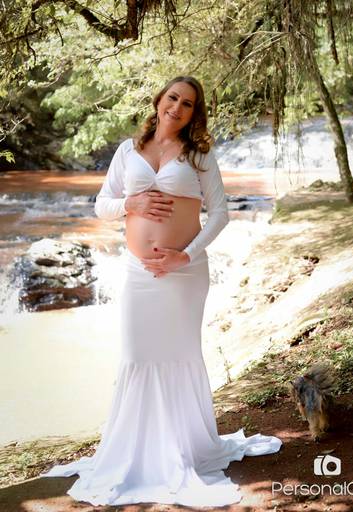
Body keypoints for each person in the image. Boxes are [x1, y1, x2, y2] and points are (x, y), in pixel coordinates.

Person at [40, 76, 282, 507]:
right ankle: (136, 453)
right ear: (159, 101)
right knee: (137, 356)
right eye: (173, 98)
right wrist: (129, 204)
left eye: (188, 103)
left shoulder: (199, 155)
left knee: (179, 355)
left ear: (194, 113)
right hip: (138, 273)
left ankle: (181, 451)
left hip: (184, 274)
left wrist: (184, 256)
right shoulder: (127, 151)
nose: (177, 107)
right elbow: (102, 205)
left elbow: (220, 214)